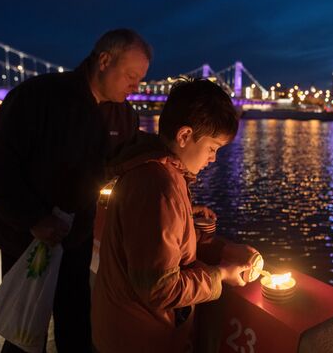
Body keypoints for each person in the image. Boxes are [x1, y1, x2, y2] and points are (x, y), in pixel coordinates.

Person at [0, 29, 152, 353]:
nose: (136, 87)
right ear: (103, 60)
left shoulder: (124, 114)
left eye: (140, 79)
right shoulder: (37, 97)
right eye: (131, 76)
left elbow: (132, 158)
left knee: (75, 321)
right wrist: (34, 218)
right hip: (25, 238)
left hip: (75, 237)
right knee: (24, 329)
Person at [92, 79, 258, 353]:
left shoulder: (157, 169)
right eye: (212, 148)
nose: (214, 158)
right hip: (138, 339)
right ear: (184, 136)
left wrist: (191, 222)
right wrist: (221, 275)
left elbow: (157, 238)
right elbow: (160, 288)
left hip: (121, 328)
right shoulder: (159, 186)